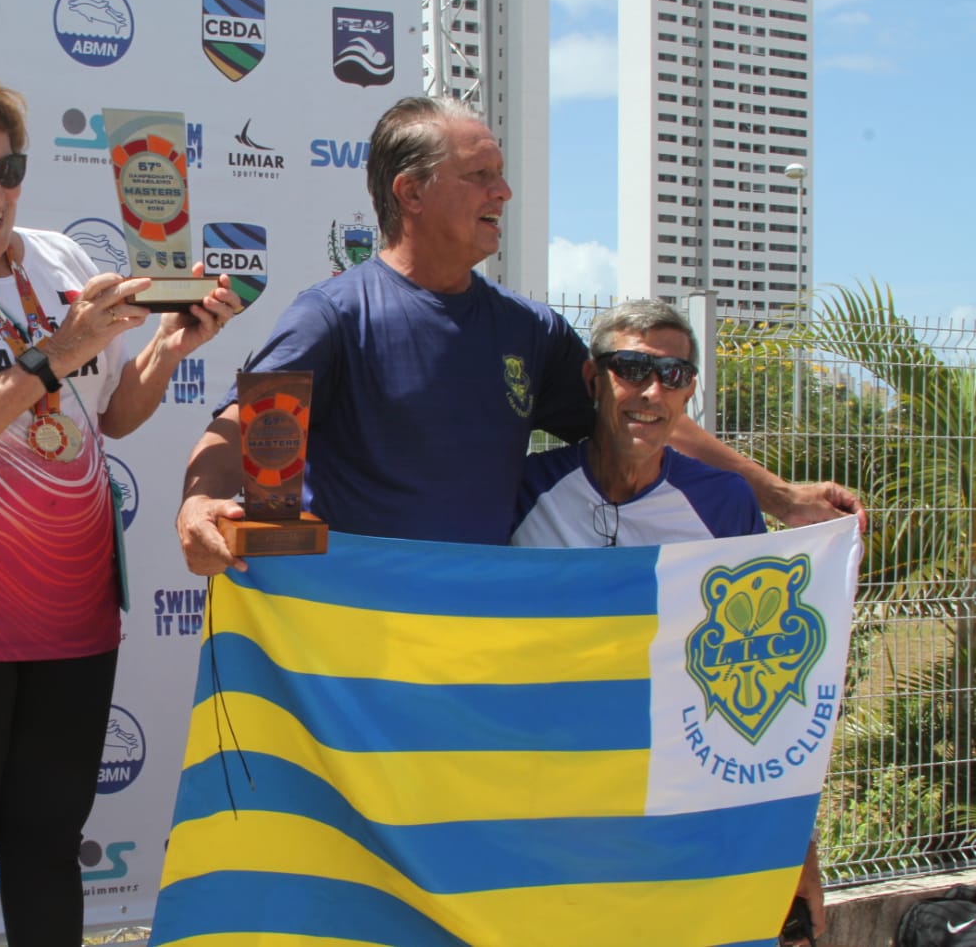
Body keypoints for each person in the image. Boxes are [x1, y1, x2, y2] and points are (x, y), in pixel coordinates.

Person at [0, 59, 242, 947]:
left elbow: (114, 418)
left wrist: (170, 346)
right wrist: (52, 354)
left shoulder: (61, 259)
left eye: (9, 169)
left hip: (69, 611)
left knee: (48, 846)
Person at [176, 94, 860, 575]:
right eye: (479, 176)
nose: (502, 193)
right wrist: (200, 504)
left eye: (500, 174)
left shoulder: (526, 328)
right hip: (354, 632)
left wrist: (776, 495)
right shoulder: (332, 315)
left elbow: (637, 414)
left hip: (480, 629)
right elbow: (241, 427)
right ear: (409, 193)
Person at [508, 297, 826, 936]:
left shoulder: (722, 503)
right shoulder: (521, 487)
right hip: (549, 806)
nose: (651, 391)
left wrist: (800, 851)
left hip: (678, 806)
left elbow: (763, 678)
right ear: (594, 380)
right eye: (629, 368)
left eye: (674, 375)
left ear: (689, 394)